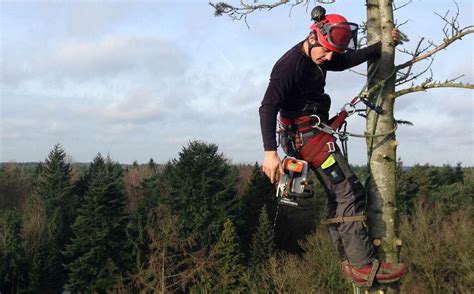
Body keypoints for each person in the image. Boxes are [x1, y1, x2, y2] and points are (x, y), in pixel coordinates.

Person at [259, 6, 407, 286]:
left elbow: (342, 60)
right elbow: (267, 107)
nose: (328, 58)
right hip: (309, 139)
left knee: (339, 195)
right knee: (348, 193)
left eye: (331, 53)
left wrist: (382, 46)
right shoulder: (288, 66)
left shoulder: (320, 56)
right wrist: (270, 154)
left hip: (312, 134)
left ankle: (352, 261)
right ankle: (363, 266)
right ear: (313, 36)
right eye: (325, 51)